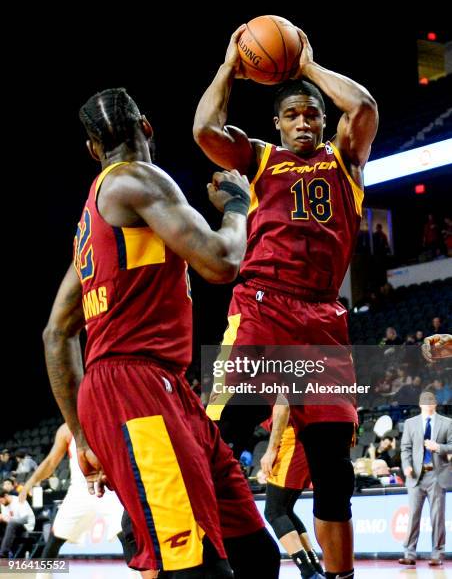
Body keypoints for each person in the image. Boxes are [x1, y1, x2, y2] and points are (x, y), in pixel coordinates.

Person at [43, 88, 279, 578]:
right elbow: (222, 260)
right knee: (193, 568)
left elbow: (55, 333)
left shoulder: (94, 222)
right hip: (134, 390)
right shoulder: (139, 179)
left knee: (255, 553)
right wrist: (238, 205)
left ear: (92, 149)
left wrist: (83, 438)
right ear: (147, 128)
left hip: (160, 388)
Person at [194, 23, 378, 579]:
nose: (304, 121)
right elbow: (204, 128)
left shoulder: (346, 160)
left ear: (324, 121)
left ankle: (339, 576)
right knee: (218, 441)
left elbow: (364, 106)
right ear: (276, 123)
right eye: (293, 114)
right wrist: (230, 64)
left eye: (312, 114)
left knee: (333, 470)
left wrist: (306, 67)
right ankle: (208, 561)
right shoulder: (259, 158)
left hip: (322, 319)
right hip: (262, 307)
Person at [19, 423, 124, 560]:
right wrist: (30, 482)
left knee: (127, 536)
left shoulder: (105, 418)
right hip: (79, 492)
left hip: (108, 488)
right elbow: (51, 462)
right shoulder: (66, 429)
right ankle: (43, 575)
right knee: (55, 539)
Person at [260, 397, 323, 579]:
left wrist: (271, 450)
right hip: (300, 438)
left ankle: (309, 573)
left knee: (274, 511)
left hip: (292, 439)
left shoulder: (272, 371)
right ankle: (314, 569)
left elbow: (283, 405)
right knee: (285, 509)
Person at [399, 391, 452, 567]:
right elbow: (405, 448)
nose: (428, 404)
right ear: (420, 405)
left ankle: (437, 554)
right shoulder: (410, 423)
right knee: (413, 515)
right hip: (415, 477)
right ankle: (409, 553)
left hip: (437, 476)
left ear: (435, 404)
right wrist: (406, 466)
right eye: (425, 402)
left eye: (431, 401)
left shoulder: (447, 423)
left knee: (437, 517)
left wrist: (438, 447)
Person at [0, 487, 35, 558]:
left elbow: (25, 519)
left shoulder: (19, 501)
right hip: (12, 527)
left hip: (26, 526)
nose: (0, 503)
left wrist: (8, 519)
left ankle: (3, 553)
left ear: (6, 496)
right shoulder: (3, 505)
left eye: (0, 501)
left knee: (12, 523)